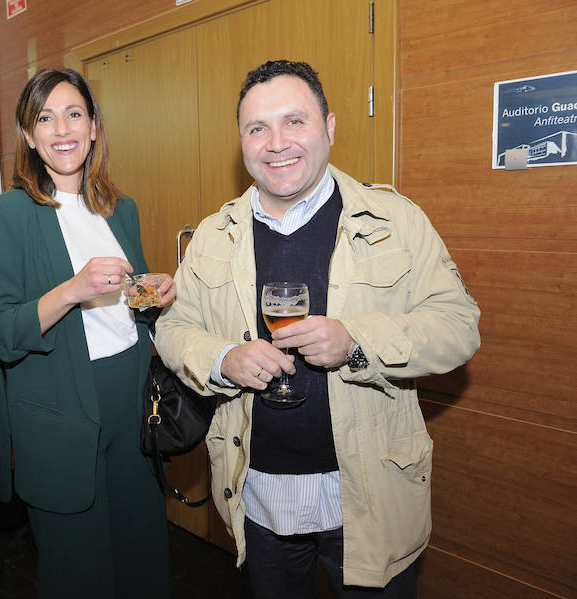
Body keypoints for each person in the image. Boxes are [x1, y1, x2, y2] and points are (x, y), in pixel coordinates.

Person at [155, 60, 481, 598]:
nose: (276, 142)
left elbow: (458, 325)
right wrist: (220, 359)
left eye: (294, 122)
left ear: (329, 127)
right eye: (257, 128)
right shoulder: (215, 235)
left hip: (369, 498)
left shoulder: (395, 221)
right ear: (241, 141)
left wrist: (358, 342)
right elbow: (174, 326)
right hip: (257, 495)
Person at [0, 68, 174, 598]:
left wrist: (152, 293)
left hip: (131, 410)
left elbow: (130, 313)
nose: (61, 128)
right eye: (45, 117)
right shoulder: (7, 213)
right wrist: (72, 289)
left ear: (93, 128)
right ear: (29, 135)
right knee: (78, 576)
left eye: (74, 114)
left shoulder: (120, 208)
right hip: (59, 417)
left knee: (144, 563)